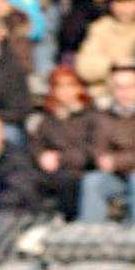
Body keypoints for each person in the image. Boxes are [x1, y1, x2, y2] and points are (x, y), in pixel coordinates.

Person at [79, 65, 135, 224]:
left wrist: (117, 161)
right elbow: (98, 149)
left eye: (129, 86)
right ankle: (90, 234)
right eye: (119, 87)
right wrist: (106, 160)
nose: (124, 92)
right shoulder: (103, 116)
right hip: (116, 175)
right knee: (92, 181)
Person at [28, 64, 92, 217]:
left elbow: (91, 150)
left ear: (79, 88)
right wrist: (41, 156)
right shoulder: (48, 118)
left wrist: (60, 158)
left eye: (69, 86)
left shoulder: (91, 117)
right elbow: (35, 143)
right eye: (59, 87)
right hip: (50, 171)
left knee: (69, 181)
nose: (65, 91)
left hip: (78, 170)